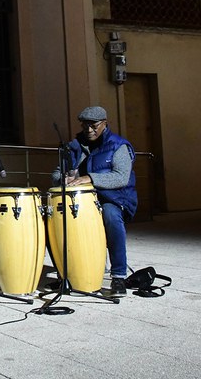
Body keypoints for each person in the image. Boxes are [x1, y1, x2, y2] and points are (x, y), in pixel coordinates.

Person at [52, 106, 137, 296]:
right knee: (51, 217)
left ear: (105, 123)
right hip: (81, 200)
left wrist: (90, 178)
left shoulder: (119, 146)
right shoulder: (73, 147)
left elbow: (121, 178)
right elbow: (56, 172)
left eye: (94, 126)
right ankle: (65, 274)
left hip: (112, 198)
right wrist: (63, 178)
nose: (89, 130)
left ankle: (118, 277)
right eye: (85, 126)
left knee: (111, 216)